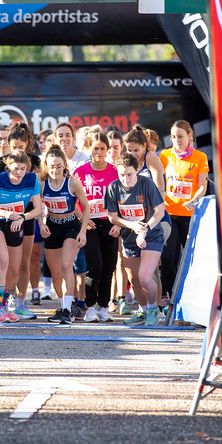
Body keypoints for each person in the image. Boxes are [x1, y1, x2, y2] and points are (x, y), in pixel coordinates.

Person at [0, 150, 43, 324]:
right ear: (9, 167)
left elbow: (38, 209)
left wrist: (22, 217)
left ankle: (3, 306)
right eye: (15, 168)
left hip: (17, 223)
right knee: (3, 260)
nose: (19, 173)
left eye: (22, 169)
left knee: (15, 269)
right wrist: (6, 214)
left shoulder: (32, 179)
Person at [106, 153, 166, 326]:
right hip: (129, 238)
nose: (126, 179)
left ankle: (154, 308)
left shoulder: (146, 184)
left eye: (129, 174)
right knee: (134, 280)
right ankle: (143, 310)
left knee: (146, 278)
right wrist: (131, 225)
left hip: (152, 236)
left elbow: (160, 211)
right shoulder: (113, 188)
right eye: (121, 175)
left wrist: (145, 228)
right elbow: (112, 217)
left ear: (138, 170)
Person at [39, 146, 90, 325]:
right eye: (52, 166)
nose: (55, 170)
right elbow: (37, 206)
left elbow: (86, 207)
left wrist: (83, 231)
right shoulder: (42, 182)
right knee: (55, 273)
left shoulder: (72, 182)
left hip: (71, 225)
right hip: (52, 226)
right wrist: (41, 223)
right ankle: (63, 307)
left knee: (67, 265)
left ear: (64, 165)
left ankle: (68, 309)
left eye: (59, 166)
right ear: (46, 165)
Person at [159, 120, 208, 302]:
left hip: (190, 215)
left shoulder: (200, 157)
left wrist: (193, 200)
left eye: (180, 136)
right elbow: (158, 182)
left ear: (190, 136)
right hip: (170, 214)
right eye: (173, 137)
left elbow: (202, 186)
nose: (176, 140)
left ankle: (191, 297)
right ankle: (172, 296)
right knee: (168, 256)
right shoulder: (164, 156)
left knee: (189, 258)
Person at [76, 132, 119, 322]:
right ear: (89, 148)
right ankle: (90, 307)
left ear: (108, 150)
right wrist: (83, 219)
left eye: (103, 148)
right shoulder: (81, 172)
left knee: (109, 267)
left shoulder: (115, 171)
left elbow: (122, 199)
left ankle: (103, 306)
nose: (99, 152)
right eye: (96, 148)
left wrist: (119, 224)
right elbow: (74, 200)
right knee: (95, 266)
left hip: (110, 223)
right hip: (90, 223)